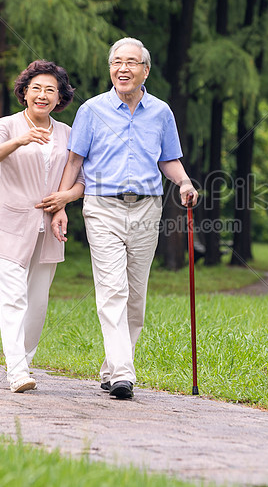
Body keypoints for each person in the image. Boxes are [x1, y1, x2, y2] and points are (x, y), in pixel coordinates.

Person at [51, 37, 198, 400]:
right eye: (116, 62)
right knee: (113, 289)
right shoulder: (91, 110)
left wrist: (183, 182)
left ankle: (112, 366)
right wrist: (61, 206)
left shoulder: (161, 112)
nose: (123, 68)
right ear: (110, 68)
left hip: (147, 207)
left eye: (131, 62)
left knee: (136, 296)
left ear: (145, 70)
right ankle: (123, 372)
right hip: (102, 207)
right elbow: (74, 162)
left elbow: (168, 159)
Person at [0, 59, 84, 393]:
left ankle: (23, 360)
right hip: (10, 223)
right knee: (13, 299)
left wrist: (64, 199)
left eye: (50, 90)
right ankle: (17, 371)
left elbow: (81, 182)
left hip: (50, 228)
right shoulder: (7, 125)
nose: (42, 95)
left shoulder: (67, 134)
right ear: (24, 93)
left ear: (59, 98)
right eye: (35, 88)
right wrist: (19, 141)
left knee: (37, 303)